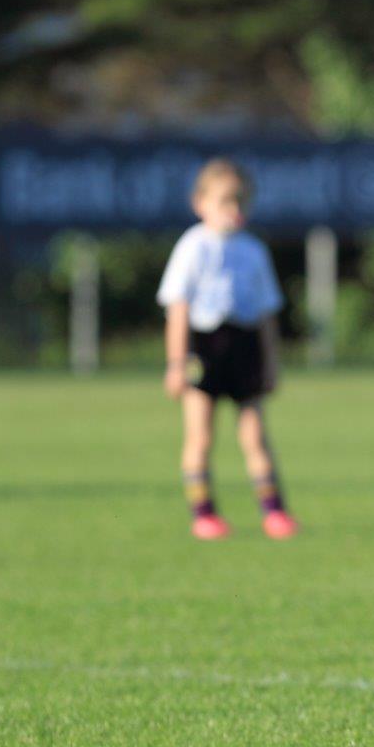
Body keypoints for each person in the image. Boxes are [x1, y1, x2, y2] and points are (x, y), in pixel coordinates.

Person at [158, 158, 297, 541]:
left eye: (239, 201)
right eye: (224, 201)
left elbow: (267, 313)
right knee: (200, 435)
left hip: (244, 345)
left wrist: (271, 364)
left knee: (254, 435)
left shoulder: (252, 250)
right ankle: (203, 513)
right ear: (200, 203)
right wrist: (175, 363)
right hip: (204, 348)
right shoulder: (192, 247)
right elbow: (178, 308)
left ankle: (274, 512)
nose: (233, 210)